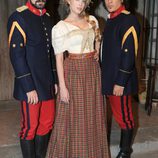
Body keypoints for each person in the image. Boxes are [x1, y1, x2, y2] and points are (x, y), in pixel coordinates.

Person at [47, 0, 109, 157]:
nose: (80, 4)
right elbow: (59, 59)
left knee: (93, 115)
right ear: (68, 1)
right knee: (74, 116)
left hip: (93, 73)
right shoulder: (60, 27)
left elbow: (98, 40)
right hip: (73, 72)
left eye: (83, 0)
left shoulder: (92, 20)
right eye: (76, 0)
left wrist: (96, 51)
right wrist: (62, 87)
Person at [7, 0, 57, 157]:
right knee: (30, 126)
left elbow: (50, 53)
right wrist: (28, 87)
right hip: (30, 84)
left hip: (47, 82)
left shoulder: (47, 17)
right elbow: (17, 56)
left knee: (47, 123)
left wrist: (54, 79)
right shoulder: (19, 17)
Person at [101, 0, 140, 157]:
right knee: (119, 115)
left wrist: (120, 82)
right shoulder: (112, 19)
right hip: (109, 78)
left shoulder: (128, 19)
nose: (109, 1)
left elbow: (128, 54)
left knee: (125, 117)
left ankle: (125, 151)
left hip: (120, 81)